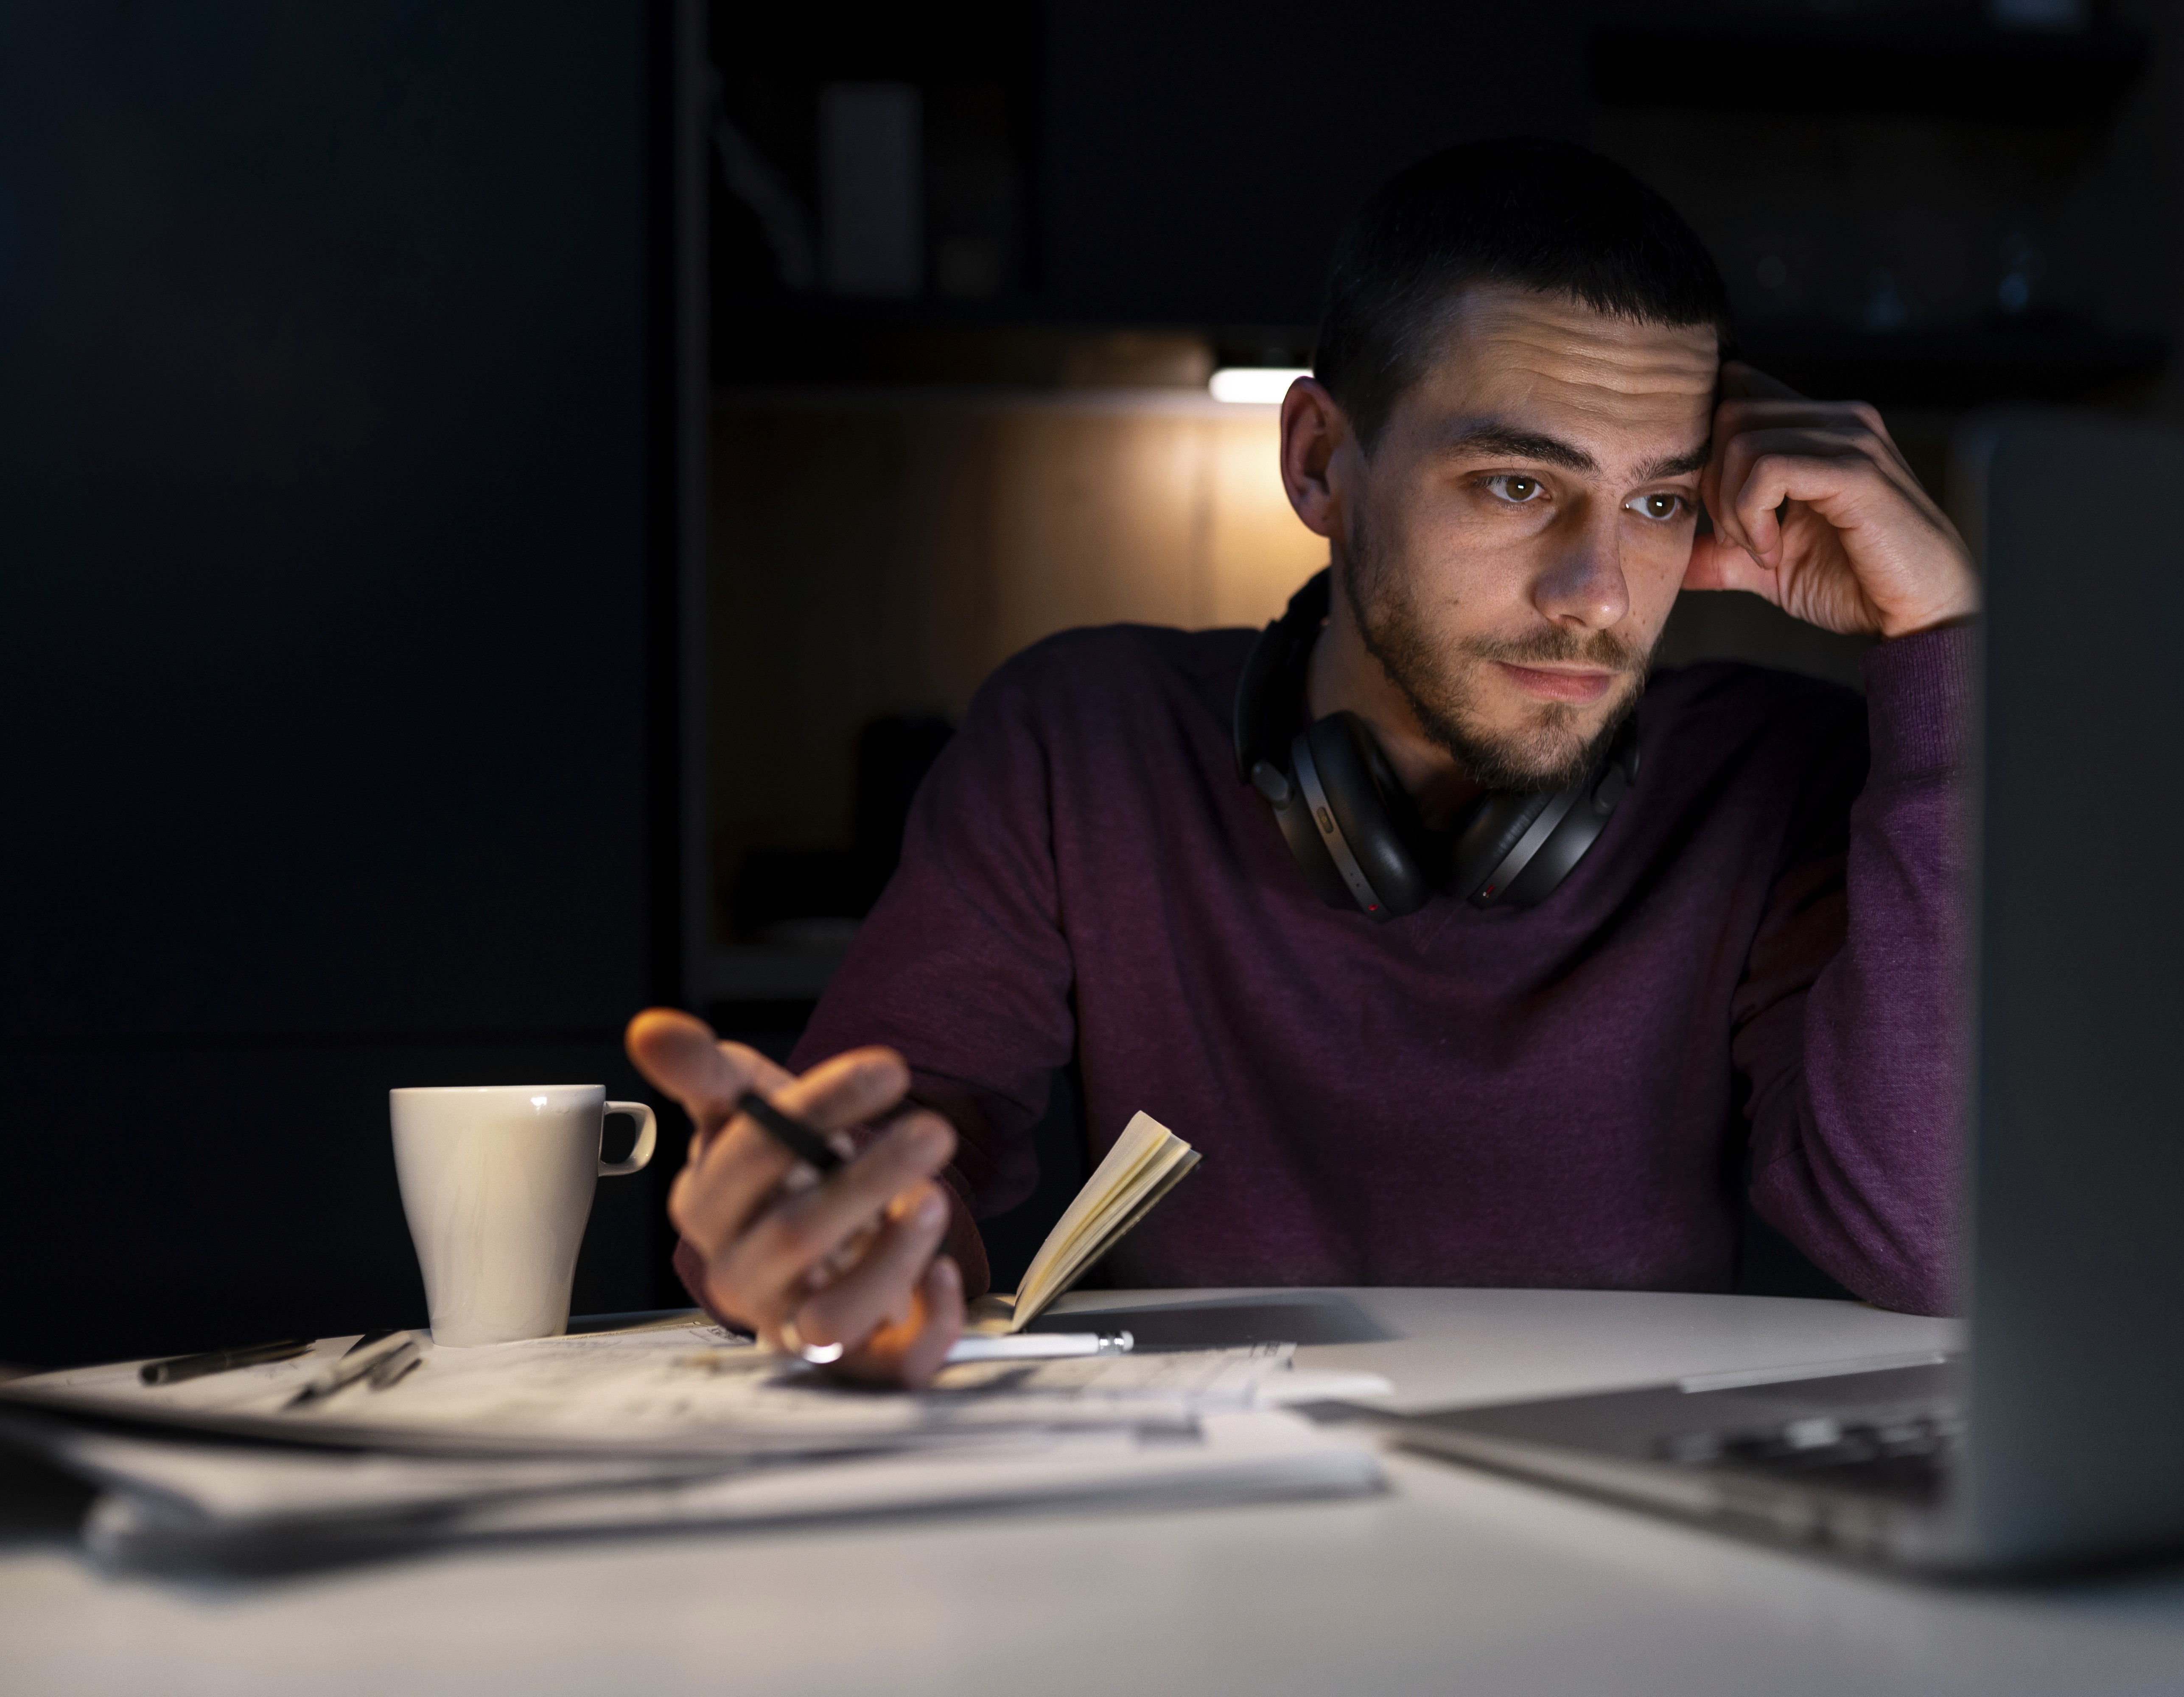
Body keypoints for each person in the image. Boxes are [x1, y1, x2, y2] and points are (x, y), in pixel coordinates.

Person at [629, 138, 1979, 1385]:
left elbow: (1928, 1240)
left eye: (1657, 502)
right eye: (1518, 485)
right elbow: (897, 1147)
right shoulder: (1079, 737)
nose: (1601, 595)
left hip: (1646, 1549)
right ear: (1323, 460)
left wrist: (1947, 654)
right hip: (1205, 1544)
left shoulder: (1781, 777)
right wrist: (832, 1238)